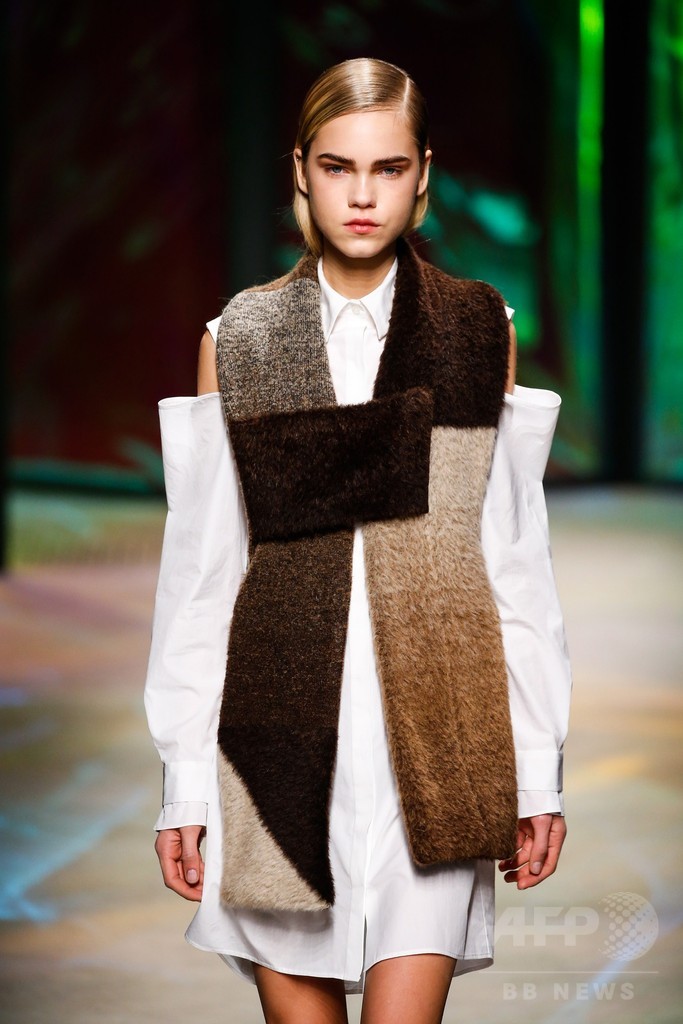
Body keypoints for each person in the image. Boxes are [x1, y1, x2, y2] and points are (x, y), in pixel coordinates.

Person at [145, 57, 572, 1024]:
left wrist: (536, 770)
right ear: (301, 171)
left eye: (387, 168)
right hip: (277, 743)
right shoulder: (240, 339)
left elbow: (510, 561)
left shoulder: (477, 329)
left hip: (440, 732)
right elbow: (205, 577)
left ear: (423, 176)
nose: (363, 195)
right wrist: (184, 786)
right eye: (339, 167)